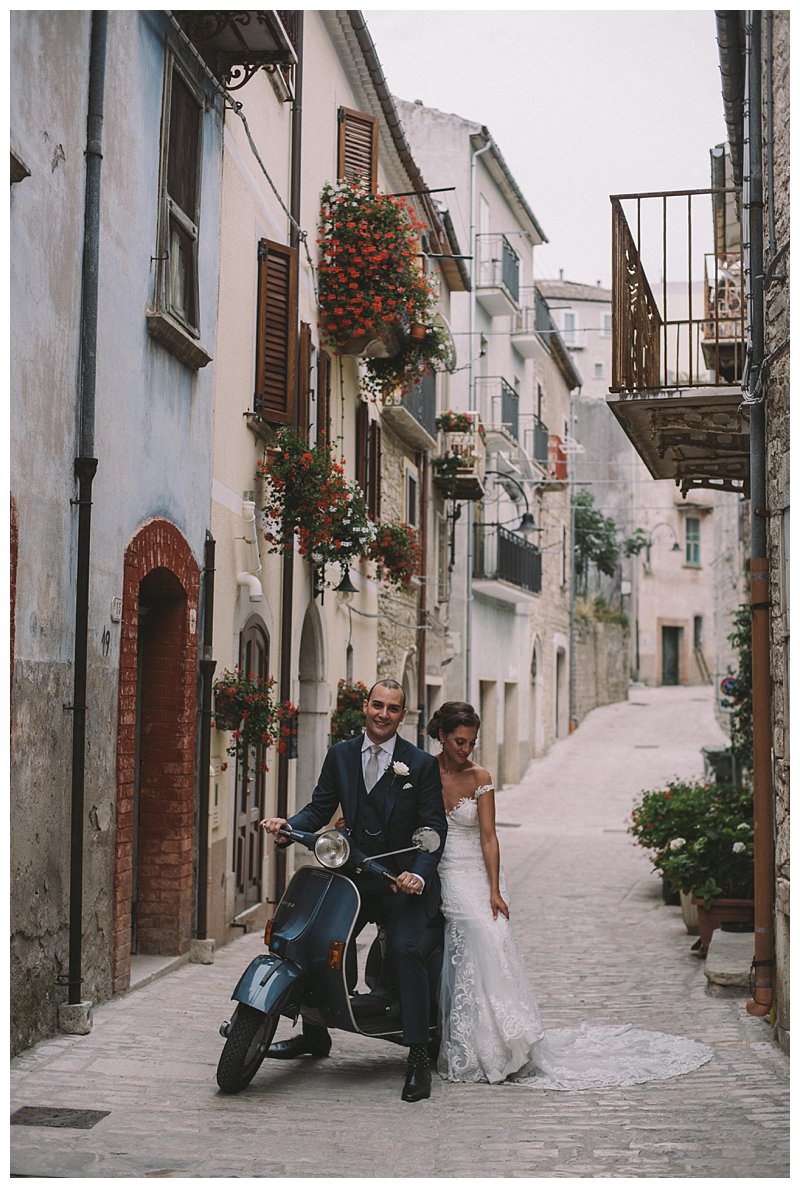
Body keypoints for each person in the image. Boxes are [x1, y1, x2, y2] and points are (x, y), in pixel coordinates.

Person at [428, 701, 714, 1089]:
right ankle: (474, 1044)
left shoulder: (481, 776)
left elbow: (489, 836)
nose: (466, 749)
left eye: (472, 742)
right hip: (444, 870)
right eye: (460, 741)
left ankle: (510, 1042)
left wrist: (494, 889)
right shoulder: (424, 772)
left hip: (478, 873)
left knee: (490, 936)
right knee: (469, 944)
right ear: (442, 737)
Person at [261, 678, 447, 1102]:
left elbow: (434, 826)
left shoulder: (418, 765)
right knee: (317, 937)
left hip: (401, 884)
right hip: (353, 874)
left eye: (393, 709)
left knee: (404, 951)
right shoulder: (341, 755)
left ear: (403, 715)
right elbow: (319, 808)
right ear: (366, 707)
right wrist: (289, 826)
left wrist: (418, 873)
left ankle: (418, 1055)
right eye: (377, 705)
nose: (383, 714)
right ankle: (314, 1034)